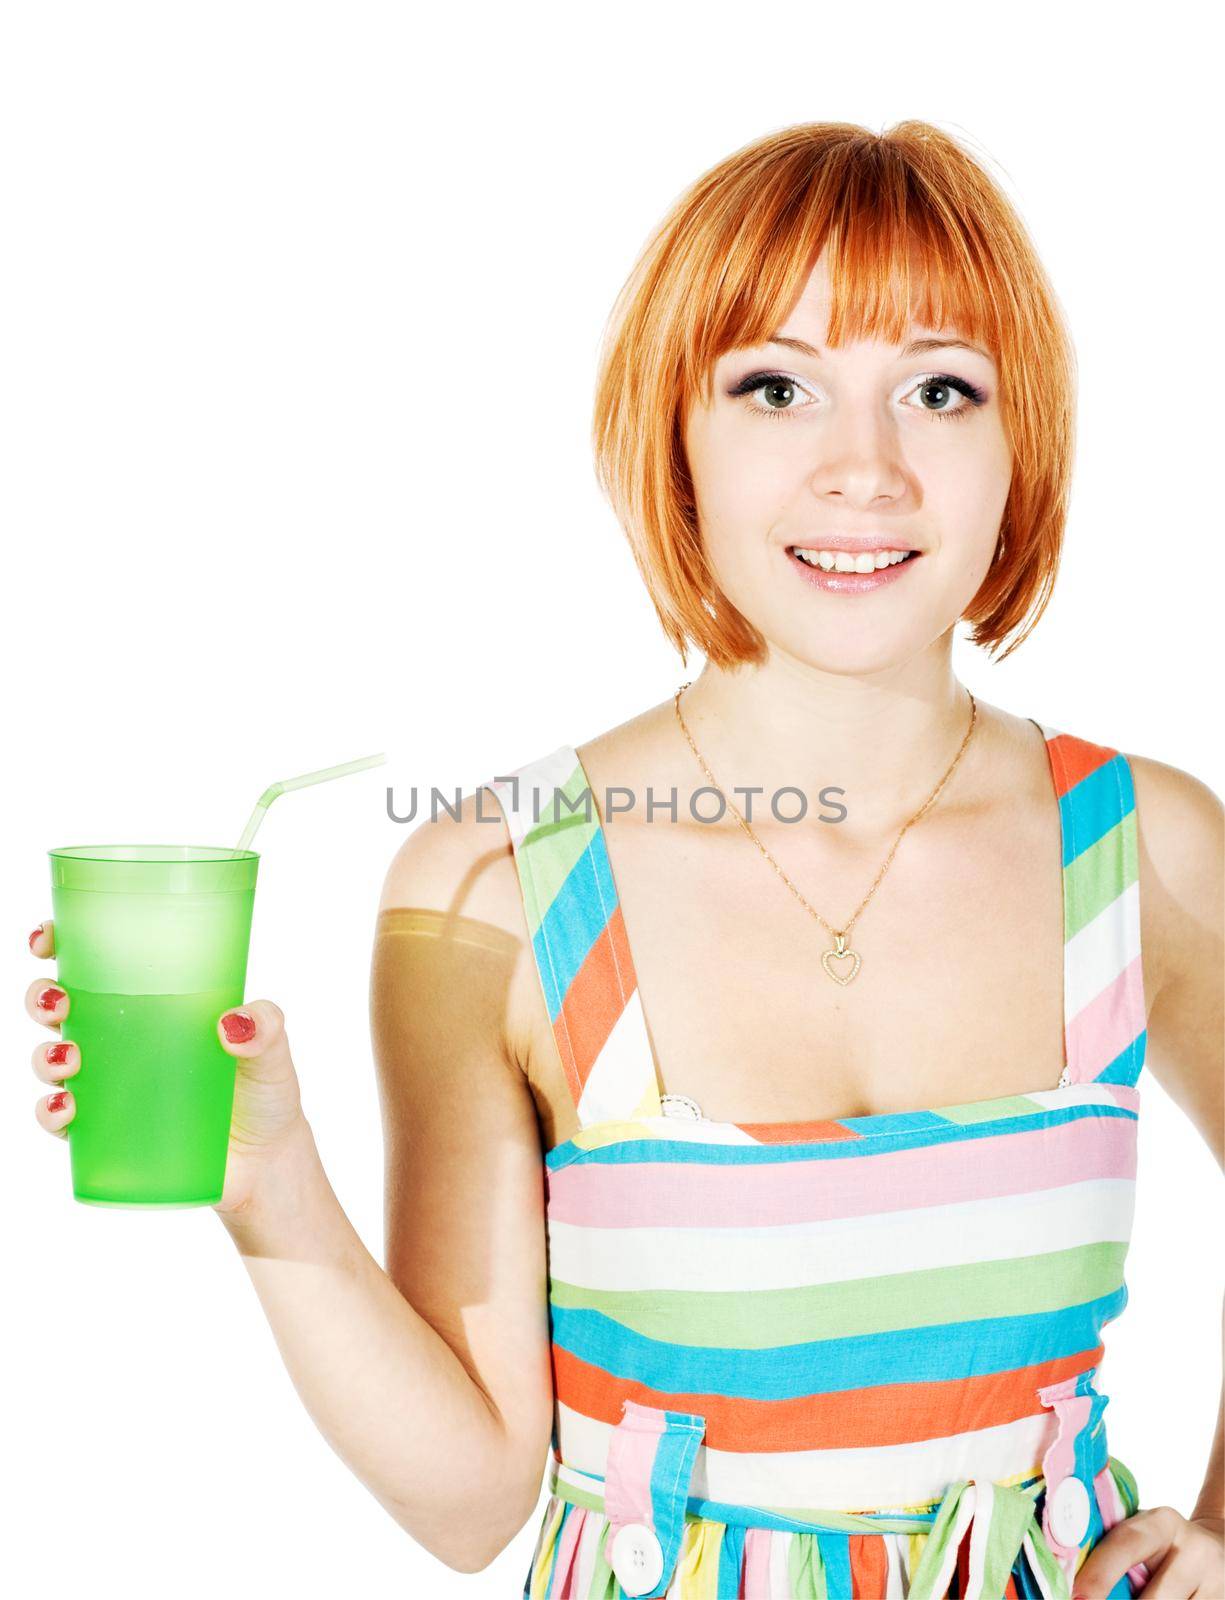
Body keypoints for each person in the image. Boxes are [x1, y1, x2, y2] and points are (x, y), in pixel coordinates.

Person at [27, 120, 1223, 1599]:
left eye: (938, 389)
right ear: (676, 439)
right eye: (774, 387)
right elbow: (472, 1500)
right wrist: (268, 1188)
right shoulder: (496, 886)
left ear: (1017, 439)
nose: (865, 468)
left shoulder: (1143, 847)